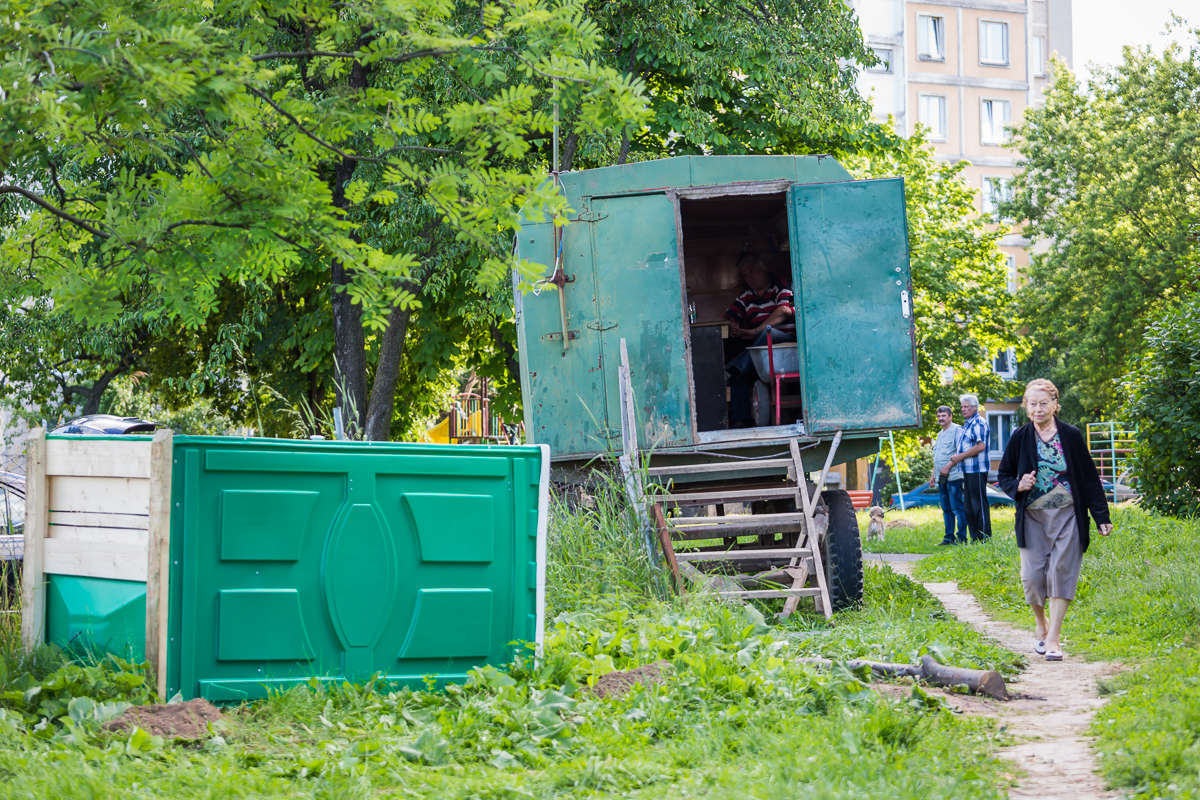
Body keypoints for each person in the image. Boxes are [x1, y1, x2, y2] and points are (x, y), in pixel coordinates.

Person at [997, 379, 1113, 661]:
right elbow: (1004, 476)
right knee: (1033, 577)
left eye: (1043, 403)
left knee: (1061, 573)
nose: (1038, 409)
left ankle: (1054, 639)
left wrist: (1101, 516)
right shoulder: (1019, 437)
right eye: (1032, 404)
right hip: (1033, 516)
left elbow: (1087, 478)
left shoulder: (1070, 435)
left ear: (1055, 405)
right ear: (1026, 408)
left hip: (1068, 514)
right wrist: (1019, 485)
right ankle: (1041, 624)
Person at [723, 254, 795, 427]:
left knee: (767, 333)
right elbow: (728, 317)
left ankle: (732, 369)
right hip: (760, 349)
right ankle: (742, 420)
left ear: (763, 269)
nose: (749, 278)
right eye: (745, 275)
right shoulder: (747, 296)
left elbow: (784, 311)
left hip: (786, 344)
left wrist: (755, 331)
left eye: (752, 271)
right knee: (736, 363)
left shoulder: (781, 285)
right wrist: (731, 326)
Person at [941, 394, 991, 541]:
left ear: (974, 407)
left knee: (978, 506)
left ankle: (984, 539)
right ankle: (975, 538)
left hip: (977, 470)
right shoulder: (967, 423)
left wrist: (959, 457)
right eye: (962, 407)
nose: (963, 409)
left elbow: (980, 446)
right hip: (967, 471)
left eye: (966, 407)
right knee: (968, 508)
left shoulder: (978, 422)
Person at [929, 405, 967, 545]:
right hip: (941, 478)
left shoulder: (957, 430)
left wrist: (948, 466)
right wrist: (933, 475)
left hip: (954, 477)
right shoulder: (940, 434)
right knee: (946, 509)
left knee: (957, 508)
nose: (941, 418)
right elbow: (937, 456)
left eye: (944, 415)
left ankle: (961, 538)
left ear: (950, 416)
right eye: (939, 416)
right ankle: (948, 538)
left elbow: (960, 452)